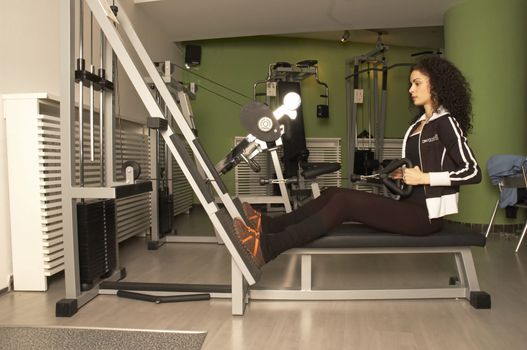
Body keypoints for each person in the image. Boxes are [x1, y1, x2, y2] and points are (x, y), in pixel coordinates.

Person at [233, 56, 481, 268]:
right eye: (410, 84)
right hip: (408, 205)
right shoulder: (418, 125)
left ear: (435, 86)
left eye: (417, 83)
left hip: (426, 216)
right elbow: (419, 166)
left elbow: (472, 172)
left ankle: (267, 249)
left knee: (343, 201)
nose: (410, 90)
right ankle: (267, 225)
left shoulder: (446, 122)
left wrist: (424, 178)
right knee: (333, 193)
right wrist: (402, 173)